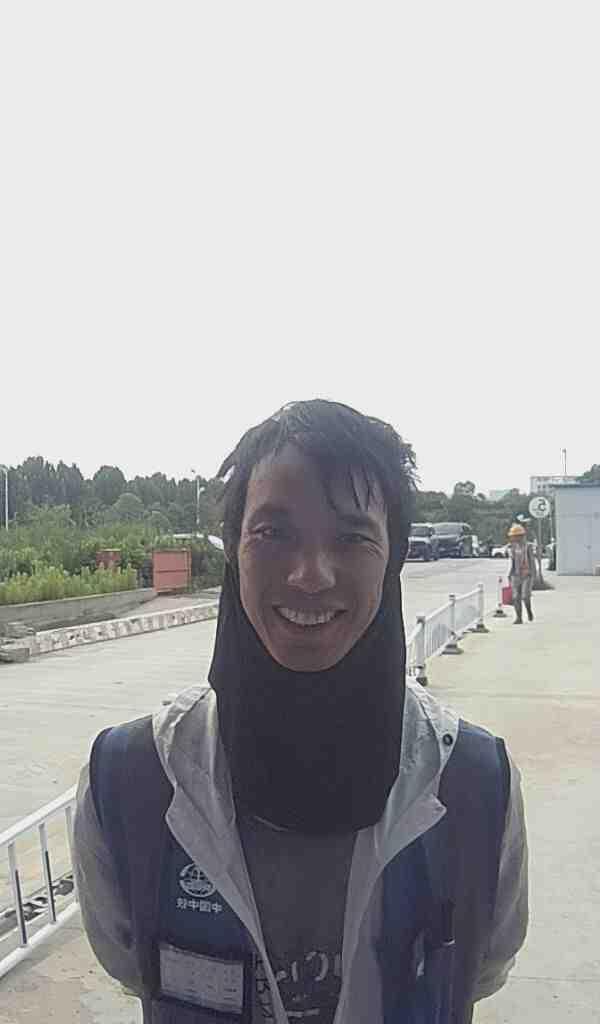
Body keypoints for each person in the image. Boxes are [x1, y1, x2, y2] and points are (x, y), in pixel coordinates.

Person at [74, 400, 528, 1024]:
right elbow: (132, 965)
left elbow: (481, 964)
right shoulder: (133, 780)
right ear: (233, 550)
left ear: (393, 556)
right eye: (273, 533)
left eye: (352, 537)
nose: (310, 575)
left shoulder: (474, 784)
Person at [508, 523, 537, 624]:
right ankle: (519, 618)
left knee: (525, 596)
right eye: (512, 536)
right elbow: (513, 562)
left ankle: (529, 611)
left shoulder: (528, 547)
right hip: (516, 575)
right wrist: (510, 574)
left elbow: (532, 561)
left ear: (520, 536)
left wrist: (533, 574)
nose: (513, 538)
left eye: (515, 536)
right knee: (515, 597)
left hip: (527, 575)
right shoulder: (513, 547)